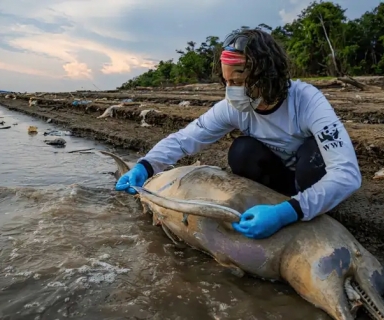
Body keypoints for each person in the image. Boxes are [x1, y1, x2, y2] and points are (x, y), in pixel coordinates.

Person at [115, 28, 362, 240]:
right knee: (242, 151)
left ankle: (303, 207)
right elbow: (185, 139)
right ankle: (276, 205)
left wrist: (287, 212)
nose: (233, 91)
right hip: (278, 180)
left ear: (267, 76)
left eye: (240, 81)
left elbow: (347, 174)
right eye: (227, 83)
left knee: (313, 152)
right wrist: (145, 166)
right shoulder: (234, 108)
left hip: (308, 176)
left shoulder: (307, 101)